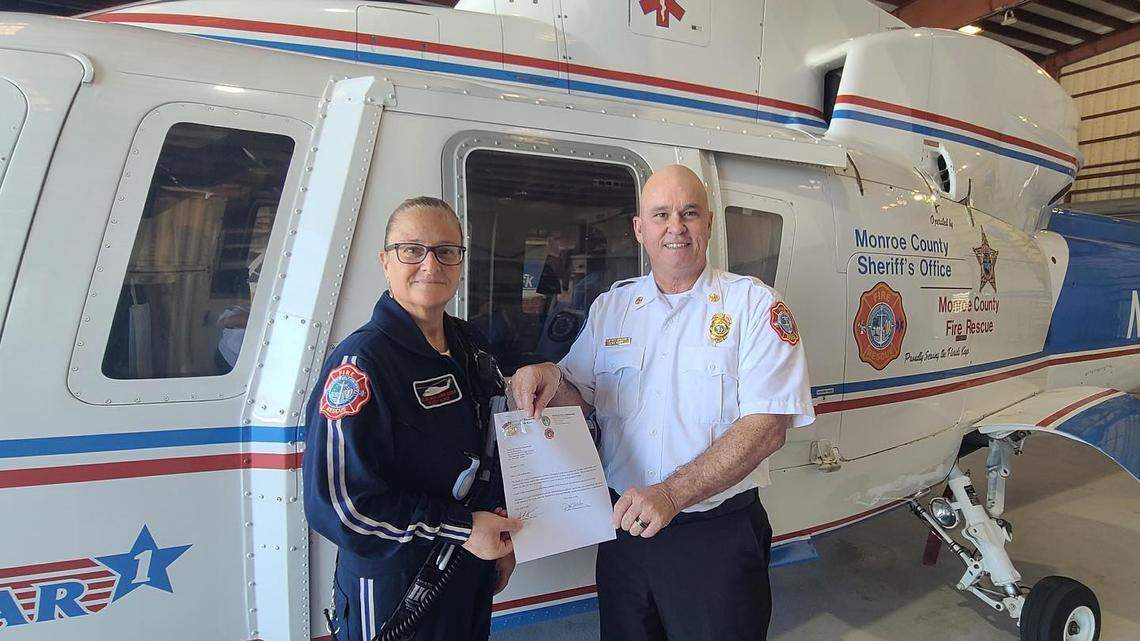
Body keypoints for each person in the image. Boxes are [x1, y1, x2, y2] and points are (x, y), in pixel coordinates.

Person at [511, 166, 814, 641]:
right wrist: (548, 376)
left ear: (709, 224)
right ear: (640, 229)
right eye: (661, 215)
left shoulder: (753, 306)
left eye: (689, 213)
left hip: (714, 536)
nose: (676, 227)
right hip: (625, 533)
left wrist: (671, 495)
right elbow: (579, 395)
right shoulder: (612, 308)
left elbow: (767, 426)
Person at [302, 197, 522, 641]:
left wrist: (500, 531)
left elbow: (491, 445)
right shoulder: (361, 363)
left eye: (446, 251)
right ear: (385, 262)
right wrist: (461, 528)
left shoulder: (468, 343)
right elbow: (343, 507)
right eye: (412, 250)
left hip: (467, 567)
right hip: (397, 584)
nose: (430, 264)